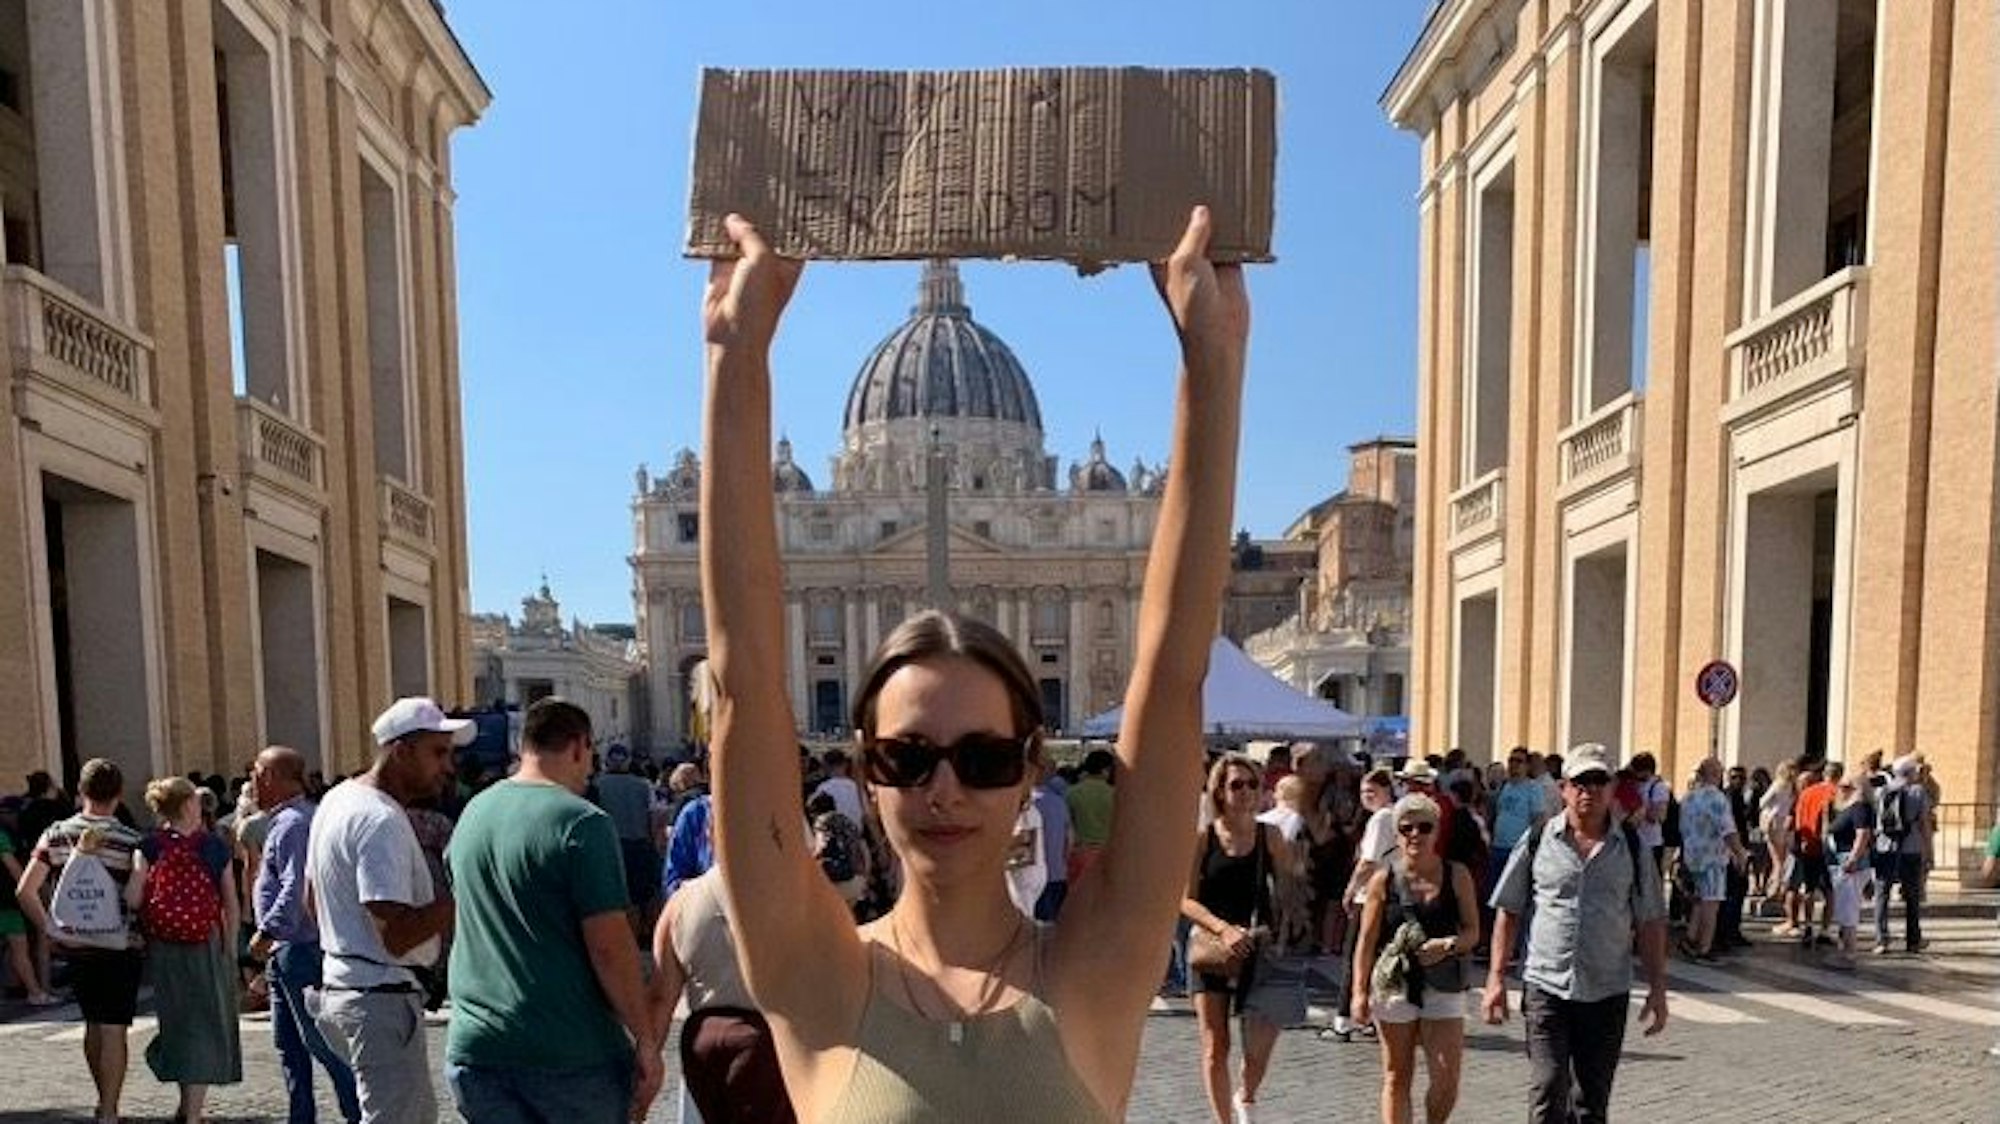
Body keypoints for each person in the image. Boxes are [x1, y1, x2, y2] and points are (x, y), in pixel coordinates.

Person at [697, 207, 1247, 1122]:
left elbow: (1173, 671)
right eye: (907, 758)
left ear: (1032, 767)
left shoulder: (1094, 964)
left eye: (984, 758)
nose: (944, 790)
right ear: (867, 769)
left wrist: (1213, 360)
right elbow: (744, 681)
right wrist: (734, 352)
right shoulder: (814, 969)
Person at [445, 697, 663, 1122]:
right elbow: (609, 948)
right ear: (580, 746)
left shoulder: (474, 812)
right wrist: (646, 1038)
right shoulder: (581, 822)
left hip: (476, 1044)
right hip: (567, 1047)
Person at [1483, 743, 1669, 1124]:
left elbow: (1650, 920)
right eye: (1581, 781)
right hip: (1546, 986)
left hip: (1607, 989)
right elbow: (1509, 909)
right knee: (1548, 1090)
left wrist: (1658, 987)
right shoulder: (1538, 839)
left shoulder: (1631, 847)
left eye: (1599, 780)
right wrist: (1495, 979)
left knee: (1590, 1104)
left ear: (1613, 786)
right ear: (1564, 788)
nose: (1590, 790)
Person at [307, 697, 464, 1123]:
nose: (447, 767)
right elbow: (395, 935)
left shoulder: (338, 800)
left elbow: (311, 901)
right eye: (438, 752)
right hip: (377, 996)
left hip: (347, 985)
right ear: (402, 750)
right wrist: (463, 897)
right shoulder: (379, 820)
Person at [13, 758, 145, 1124]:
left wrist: (51, 929)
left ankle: (101, 1098)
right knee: (114, 1027)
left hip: (76, 945)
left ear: (80, 792)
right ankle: (110, 1108)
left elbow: (25, 890)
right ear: (118, 795)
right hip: (120, 945)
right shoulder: (132, 840)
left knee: (92, 1023)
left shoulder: (56, 835)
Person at [247, 745, 361, 1124]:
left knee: (322, 1043)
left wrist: (268, 930)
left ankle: (359, 1114)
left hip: (298, 946)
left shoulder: (295, 823)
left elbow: (296, 887)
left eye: (257, 775)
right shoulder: (288, 820)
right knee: (289, 1046)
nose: (252, 783)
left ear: (273, 778)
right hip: (286, 951)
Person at [1181, 755, 1295, 1124]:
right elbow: (1184, 899)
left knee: (1260, 1046)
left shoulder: (1270, 836)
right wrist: (1222, 928)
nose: (1245, 792)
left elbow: (1289, 891)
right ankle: (1223, 1120)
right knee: (1216, 1046)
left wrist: (1281, 929)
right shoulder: (1203, 838)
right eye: (1236, 784)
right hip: (1211, 948)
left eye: (1251, 784)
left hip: (1258, 948)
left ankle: (1246, 1093)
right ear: (1219, 790)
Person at [1351, 794, 1478, 1124]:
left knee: (1446, 1078)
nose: (1415, 834)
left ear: (1437, 832)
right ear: (1396, 834)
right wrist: (1358, 993)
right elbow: (1365, 941)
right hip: (1394, 983)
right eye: (1406, 828)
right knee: (1397, 1074)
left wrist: (1447, 944)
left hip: (1444, 981)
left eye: (1424, 827)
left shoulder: (1456, 874)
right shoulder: (1384, 879)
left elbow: (1473, 932)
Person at [129, 776, 243, 1123]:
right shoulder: (213, 846)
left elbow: (133, 897)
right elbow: (231, 903)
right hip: (206, 942)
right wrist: (230, 948)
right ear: (189, 805)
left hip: (164, 946)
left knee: (178, 1022)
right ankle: (193, 1114)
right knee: (206, 1024)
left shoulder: (149, 846)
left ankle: (184, 1106)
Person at [649, 868, 796, 1123]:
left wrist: (648, 1063)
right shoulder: (786, 893)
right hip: (760, 1042)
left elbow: (661, 997)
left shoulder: (681, 901)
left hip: (701, 1043)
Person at [1329, 767, 1400, 1042]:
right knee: (1377, 956)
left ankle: (1343, 1021)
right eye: (1362, 791)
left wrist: (1350, 889)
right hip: (1387, 893)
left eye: (1372, 791)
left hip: (1368, 895)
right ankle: (1372, 1017)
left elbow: (1368, 861)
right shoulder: (1393, 816)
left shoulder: (1381, 818)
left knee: (1354, 957)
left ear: (1386, 791)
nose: (1366, 796)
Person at [1674, 759, 1746, 963]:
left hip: (1692, 854)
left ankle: (1690, 937)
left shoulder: (1689, 797)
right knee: (1711, 902)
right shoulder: (1716, 798)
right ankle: (1704, 946)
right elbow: (1728, 829)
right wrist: (1739, 853)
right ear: (1715, 774)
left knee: (1697, 900)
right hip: (1712, 857)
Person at [595, 742, 663, 940]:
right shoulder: (644, 785)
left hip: (612, 846)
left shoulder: (597, 786)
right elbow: (653, 817)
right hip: (640, 843)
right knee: (646, 894)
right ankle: (649, 934)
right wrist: (653, 843)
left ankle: (629, 939)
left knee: (622, 897)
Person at [1872, 755, 1932, 954]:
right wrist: (1928, 851)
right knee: (1912, 895)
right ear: (1910, 772)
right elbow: (1924, 823)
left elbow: (1877, 820)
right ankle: (1913, 940)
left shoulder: (1882, 791)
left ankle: (1882, 939)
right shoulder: (1918, 791)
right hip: (1911, 847)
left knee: (1882, 894)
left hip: (1885, 847)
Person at [0, 810, 58, 1005]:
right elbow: (13, 867)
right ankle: (35, 992)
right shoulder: (1, 836)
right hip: (6, 901)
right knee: (19, 947)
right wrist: (28, 890)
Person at [1825, 772, 1876, 970]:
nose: (1840, 790)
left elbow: (1862, 835)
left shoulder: (1860, 808)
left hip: (1848, 864)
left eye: (1846, 787)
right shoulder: (1849, 808)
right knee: (1845, 907)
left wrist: (1853, 858)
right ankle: (1844, 949)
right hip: (1840, 862)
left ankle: (1849, 953)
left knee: (1848, 909)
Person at [1064, 749, 1118, 885]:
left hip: (1079, 851)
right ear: (1106, 770)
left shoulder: (1072, 793)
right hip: (1107, 852)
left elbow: (1066, 825)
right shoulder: (1115, 795)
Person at [1029, 761, 1074, 922]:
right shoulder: (1059, 802)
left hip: (1029, 878)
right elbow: (1069, 840)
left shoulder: (1023, 805)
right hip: (1057, 874)